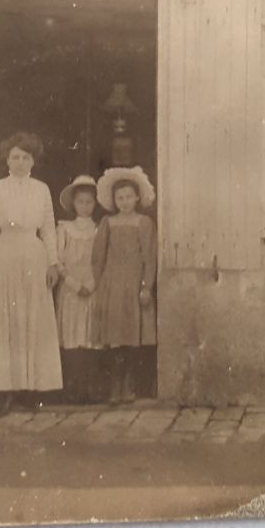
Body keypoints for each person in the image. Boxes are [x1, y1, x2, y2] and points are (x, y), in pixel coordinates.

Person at [0, 132, 63, 415]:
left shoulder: (41, 189)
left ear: (33, 161)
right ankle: (3, 391)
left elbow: (50, 229)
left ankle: (28, 391)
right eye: (15, 157)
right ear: (7, 159)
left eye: (25, 157)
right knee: (3, 324)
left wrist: (53, 262)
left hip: (33, 257)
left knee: (30, 320)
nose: (20, 162)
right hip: (4, 257)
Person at [89, 166, 158, 403]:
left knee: (132, 336)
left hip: (134, 284)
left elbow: (149, 256)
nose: (125, 202)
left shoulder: (144, 222)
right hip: (113, 285)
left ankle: (130, 384)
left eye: (129, 197)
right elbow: (98, 256)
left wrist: (146, 286)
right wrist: (98, 285)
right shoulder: (108, 222)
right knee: (115, 336)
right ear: (114, 200)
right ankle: (114, 386)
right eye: (120, 198)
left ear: (137, 197)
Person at [53, 175, 101, 402]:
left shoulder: (100, 229)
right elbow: (57, 260)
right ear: (74, 203)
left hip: (92, 289)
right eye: (81, 201)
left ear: (95, 203)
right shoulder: (64, 229)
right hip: (70, 290)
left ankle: (89, 387)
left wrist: (91, 285)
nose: (85, 206)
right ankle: (71, 387)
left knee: (90, 335)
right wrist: (72, 283)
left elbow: (102, 261)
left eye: (89, 201)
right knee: (71, 336)